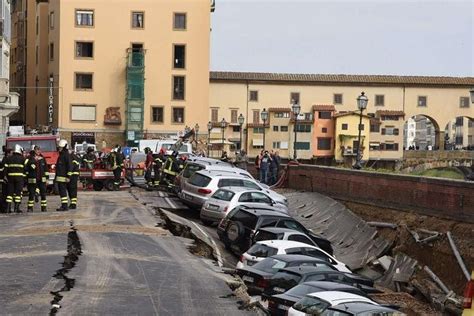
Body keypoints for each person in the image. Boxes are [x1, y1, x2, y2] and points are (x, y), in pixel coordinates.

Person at [5, 145, 26, 213]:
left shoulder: (9, 158)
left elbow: (5, 169)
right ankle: (16, 208)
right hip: (19, 178)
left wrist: (5, 176)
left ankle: (8, 208)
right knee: (18, 193)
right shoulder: (22, 158)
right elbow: (25, 169)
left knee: (9, 194)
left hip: (10, 178)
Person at [55, 139, 71, 212]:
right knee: (62, 192)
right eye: (59, 147)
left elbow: (69, 167)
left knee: (63, 192)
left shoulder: (66, 155)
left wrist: (68, 177)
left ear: (64, 147)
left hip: (63, 178)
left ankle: (64, 206)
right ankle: (64, 205)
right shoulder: (61, 155)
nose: (59, 149)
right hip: (60, 177)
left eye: (61, 147)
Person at [34, 146, 48, 212]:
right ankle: (36, 194)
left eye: (39, 150)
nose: (38, 151)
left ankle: (44, 207)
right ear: (34, 150)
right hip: (35, 178)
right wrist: (34, 161)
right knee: (35, 189)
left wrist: (47, 178)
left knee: (43, 193)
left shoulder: (43, 158)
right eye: (37, 150)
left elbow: (46, 169)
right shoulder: (32, 158)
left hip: (42, 178)